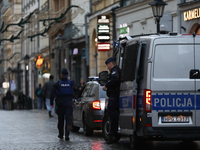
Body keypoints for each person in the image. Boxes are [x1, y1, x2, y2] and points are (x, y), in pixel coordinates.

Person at [50, 68, 74, 141]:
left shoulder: (58, 84)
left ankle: (61, 134)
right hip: (69, 103)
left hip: (60, 103)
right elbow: (75, 91)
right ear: (68, 75)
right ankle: (67, 134)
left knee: (61, 120)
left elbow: (52, 94)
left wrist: (51, 103)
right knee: (68, 119)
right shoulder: (71, 83)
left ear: (61, 75)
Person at [102, 57, 121, 144]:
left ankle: (113, 134)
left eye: (108, 65)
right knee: (112, 114)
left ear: (111, 64)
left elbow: (114, 79)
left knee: (112, 113)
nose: (107, 68)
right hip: (114, 95)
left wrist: (106, 85)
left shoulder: (115, 71)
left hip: (114, 95)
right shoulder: (115, 70)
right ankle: (114, 133)